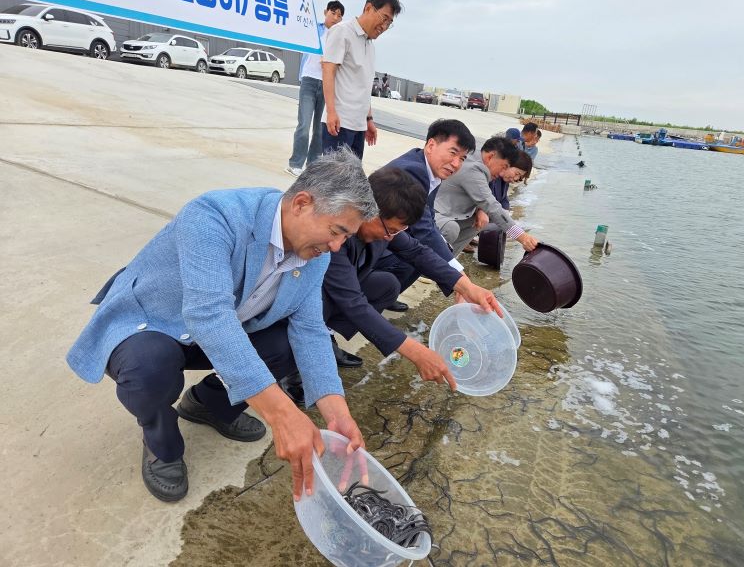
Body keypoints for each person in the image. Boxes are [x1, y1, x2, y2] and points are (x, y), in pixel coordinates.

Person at [66, 149, 377, 503]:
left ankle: (208, 405)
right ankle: (161, 444)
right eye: (336, 231)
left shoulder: (314, 252)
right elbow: (208, 316)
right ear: (302, 203)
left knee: (285, 344)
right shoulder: (215, 215)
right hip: (154, 323)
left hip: (225, 326)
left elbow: (309, 329)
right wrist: (282, 415)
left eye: (346, 237)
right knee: (148, 367)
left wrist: (337, 414)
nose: (336, 246)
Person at [322, 167, 502, 378]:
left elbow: (417, 251)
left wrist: (466, 286)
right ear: (370, 210)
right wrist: (416, 353)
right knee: (318, 314)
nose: (391, 237)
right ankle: (296, 360)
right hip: (311, 299)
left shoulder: (386, 223)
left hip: (344, 286)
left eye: (397, 231)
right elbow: (353, 302)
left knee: (387, 286)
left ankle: (325, 335)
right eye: (390, 230)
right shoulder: (336, 238)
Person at [372, 119, 476, 308]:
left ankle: (386, 297)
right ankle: (375, 300)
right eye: (453, 153)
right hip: (371, 244)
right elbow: (424, 230)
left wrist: (455, 273)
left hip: (391, 239)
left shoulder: (430, 170)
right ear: (431, 145)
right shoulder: (413, 171)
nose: (455, 164)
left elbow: (429, 219)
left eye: (462, 158)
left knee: (428, 252)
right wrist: (460, 279)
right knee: (418, 256)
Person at [322, 0, 402, 159]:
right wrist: (331, 112)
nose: (384, 26)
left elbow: (363, 86)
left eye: (389, 23)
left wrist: (369, 119)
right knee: (333, 175)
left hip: (359, 126)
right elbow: (328, 71)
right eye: (384, 18)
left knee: (353, 175)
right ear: (368, 8)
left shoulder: (370, 45)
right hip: (339, 124)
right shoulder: (342, 32)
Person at [434, 137, 539, 256]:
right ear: (490, 157)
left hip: (447, 211)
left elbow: (490, 202)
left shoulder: (479, 161)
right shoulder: (474, 170)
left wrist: (481, 209)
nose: (502, 173)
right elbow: (492, 206)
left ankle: (447, 259)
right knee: (451, 228)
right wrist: (522, 237)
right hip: (431, 213)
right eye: (504, 167)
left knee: (478, 222)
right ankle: (428, 261)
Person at [285, 0, 345, 178]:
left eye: (339, 15)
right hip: (309, 80)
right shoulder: (314, 29)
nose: (336, 18)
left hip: (327, 84)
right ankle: (295, 163)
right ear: (325, 12)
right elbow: (301, 20)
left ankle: (312, 168)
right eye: (333, 13)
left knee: (319, 130)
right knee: (304, 124)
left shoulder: (340, 37)